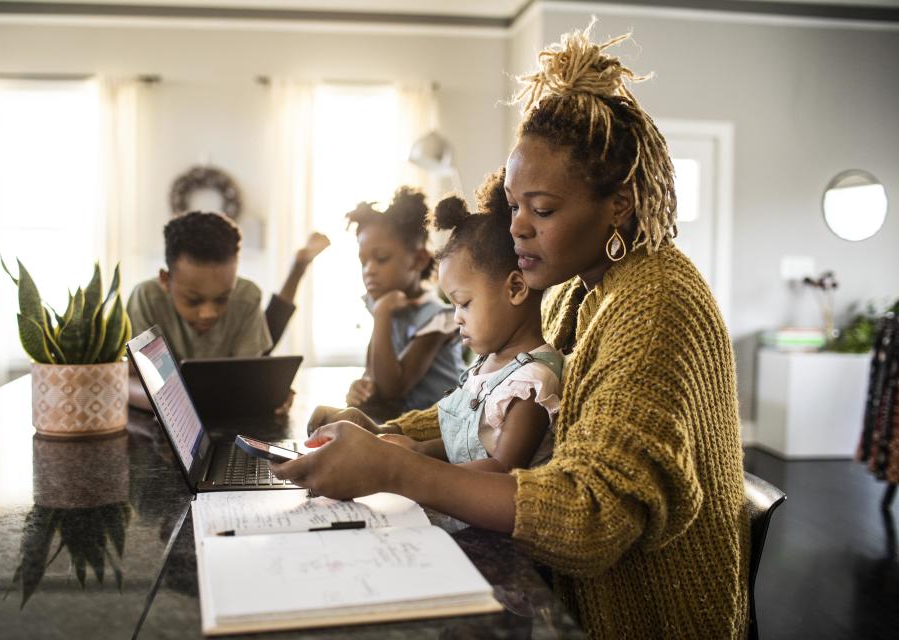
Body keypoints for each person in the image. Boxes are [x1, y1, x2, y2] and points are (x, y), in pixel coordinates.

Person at [274, 21, 748, 639]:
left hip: (642, 616)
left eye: (543, 209)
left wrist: (396, 470)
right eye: (515, 204)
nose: (518, 227)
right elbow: (485, 398)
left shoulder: (657, 304)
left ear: (620, 206)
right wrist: (383, 437)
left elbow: (590, 516)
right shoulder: (576, 288)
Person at [381, 171, 563, 472]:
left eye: (464, 304)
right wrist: (416, 449)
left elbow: (500, 469)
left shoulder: (531, 382)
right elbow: (466, 442)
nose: (457, 318)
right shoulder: (487, 364)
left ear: (516, 288)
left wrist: (410, 467)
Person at [127, 211, 329, 409]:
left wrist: (266, 391)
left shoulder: (246, 295)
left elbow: (248, 375)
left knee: (267, 341)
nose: (209, 313)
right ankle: (299, 266)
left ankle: (298, 267)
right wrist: (172, 403)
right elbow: (125, 380)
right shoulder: (146, 298)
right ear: (165, 280)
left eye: (223, 298)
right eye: (193, 300)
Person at [343, 187, 464, 421]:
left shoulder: (438, 318)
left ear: (418, 260)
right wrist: (362, 387)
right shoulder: (383, 306)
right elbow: (375, 376)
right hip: (398, 424)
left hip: (439, 429)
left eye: (381, 259)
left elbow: (392, 388)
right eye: (363, 261)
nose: (369, 271)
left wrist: (381, 315)